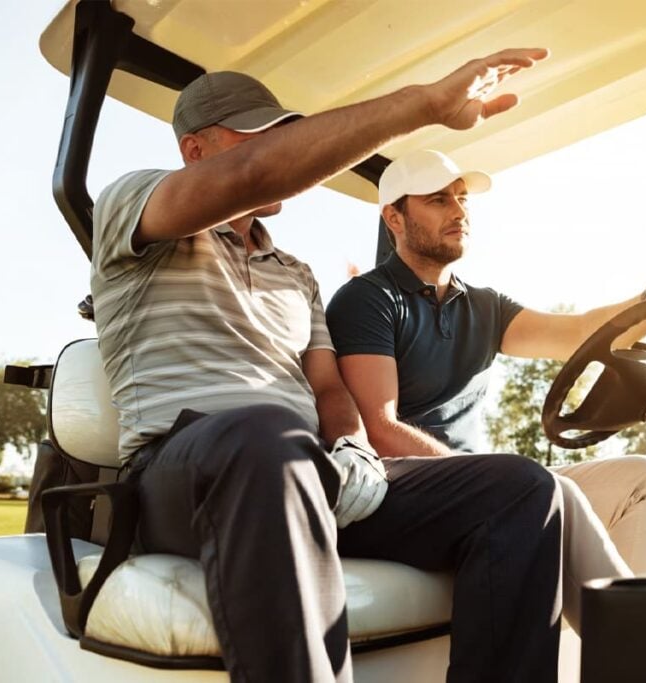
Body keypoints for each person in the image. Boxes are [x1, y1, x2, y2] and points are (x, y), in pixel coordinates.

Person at [91, 54, 566, 683]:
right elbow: (256, 173)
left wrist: (351, 446)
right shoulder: (132, 205)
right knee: (261, 434)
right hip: (182, 470)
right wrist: (424, 105)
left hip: (301, 467)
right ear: (196, 150)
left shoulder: (295, 273)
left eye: (283, 131)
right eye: (260, 133)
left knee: (520, 488)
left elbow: (325, 386)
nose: (280, 146)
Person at [326, 150, 646, 629]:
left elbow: (575, 332)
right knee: (542, 488)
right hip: (401, 492)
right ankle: (643, 647)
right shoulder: (368, 299)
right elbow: (378, 429)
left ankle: (619, 653)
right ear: (394, 218)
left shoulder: (485, 306)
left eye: (462, 199)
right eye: (437, 200)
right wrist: (494, 480)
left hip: (483, 484)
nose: (459, 211)